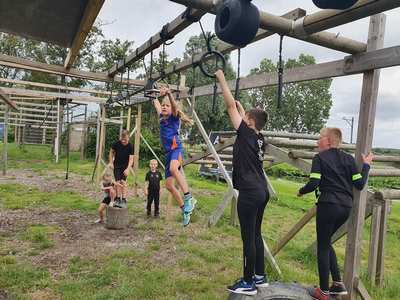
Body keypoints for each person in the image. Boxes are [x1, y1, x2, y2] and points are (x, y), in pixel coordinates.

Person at [297, 127, 373, 300]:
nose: (317, 141)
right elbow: (359, 184)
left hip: (328, 205)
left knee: (322, 247)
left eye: (320, 138)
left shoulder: (319, 158)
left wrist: (301, 191)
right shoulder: (348, 159)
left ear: (329, 141)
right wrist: (366, 165)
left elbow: (314, 182)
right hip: (345, 208)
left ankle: (323, 292)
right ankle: (338, 284)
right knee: (326, 242)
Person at [215, 70, 270, 296]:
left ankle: (248, 282)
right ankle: (259, 275)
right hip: (261, 191)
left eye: (244, 117)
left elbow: (229, 107)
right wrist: (241, 109)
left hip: (249, 192)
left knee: (248, 237)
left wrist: (221, 78)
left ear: (249, 121)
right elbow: (240, 114)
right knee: (256, 234)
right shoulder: (259, 138)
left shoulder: (246, 133)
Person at [152, 86, 196, 226]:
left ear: (171, 108)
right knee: (169, 186)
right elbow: (156, 103)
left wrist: (169, 94)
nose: (164, 107)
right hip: (167, 154)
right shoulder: (161, 117)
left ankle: (189, 197)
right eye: (163, 105)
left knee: (173, 169)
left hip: (176, 149)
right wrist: (152, 93)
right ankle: (184, 209)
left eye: (167, 106)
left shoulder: (174, 117)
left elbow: (175, 107)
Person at [108, 130, 134, 208]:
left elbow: (131, 159)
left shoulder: (130, 146)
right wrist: (111, 162)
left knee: (123, 182)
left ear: (128, 138)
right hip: (117, 166)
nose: (123, 141)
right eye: (122, 139)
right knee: (118, 182)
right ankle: (118, 199)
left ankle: (124, 200)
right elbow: (111, 152)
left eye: (125, 139)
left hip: (125, 167)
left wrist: (128, 169)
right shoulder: (116, 144)